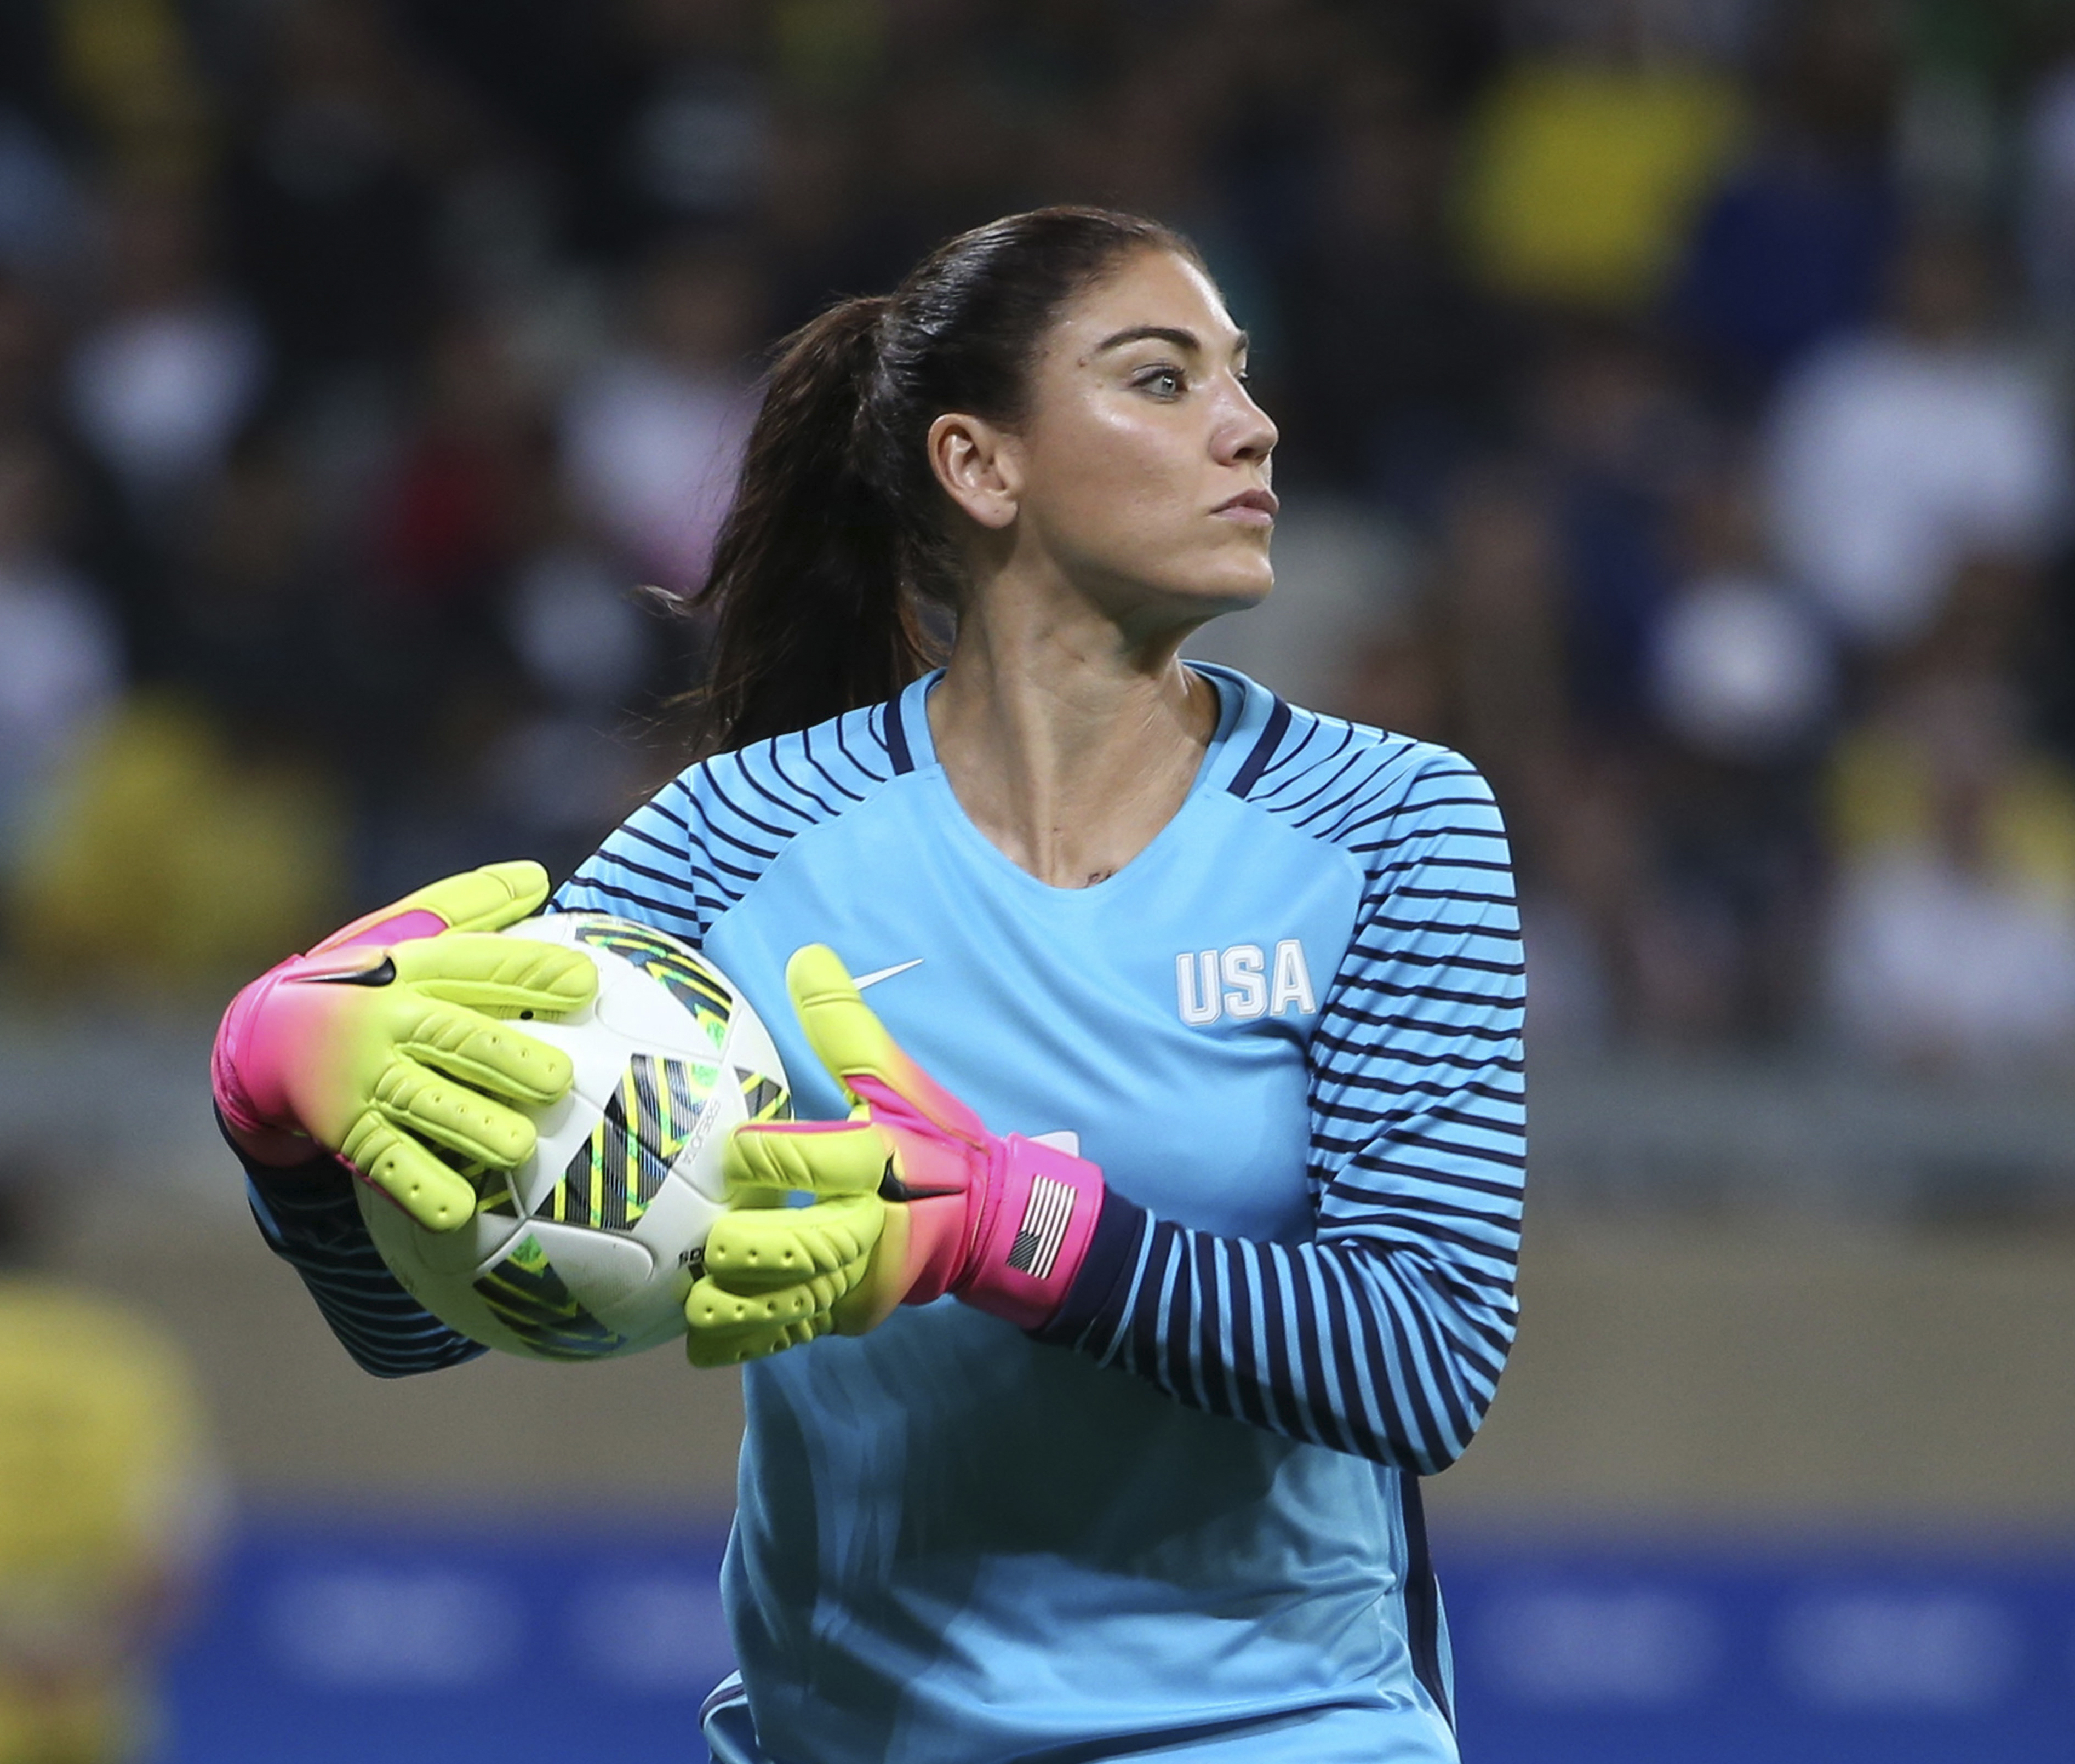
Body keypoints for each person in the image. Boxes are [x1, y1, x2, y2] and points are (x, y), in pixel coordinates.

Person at [208, 208, 1527, 1763]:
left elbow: (1424, 1351)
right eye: (1164, 381)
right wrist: (287, 1127)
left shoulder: (1390, 821)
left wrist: (1012, 1228)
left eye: (1239, 375)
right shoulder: (732, 838)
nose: (1253, 424)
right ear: (982, 466)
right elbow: (439, 1319)